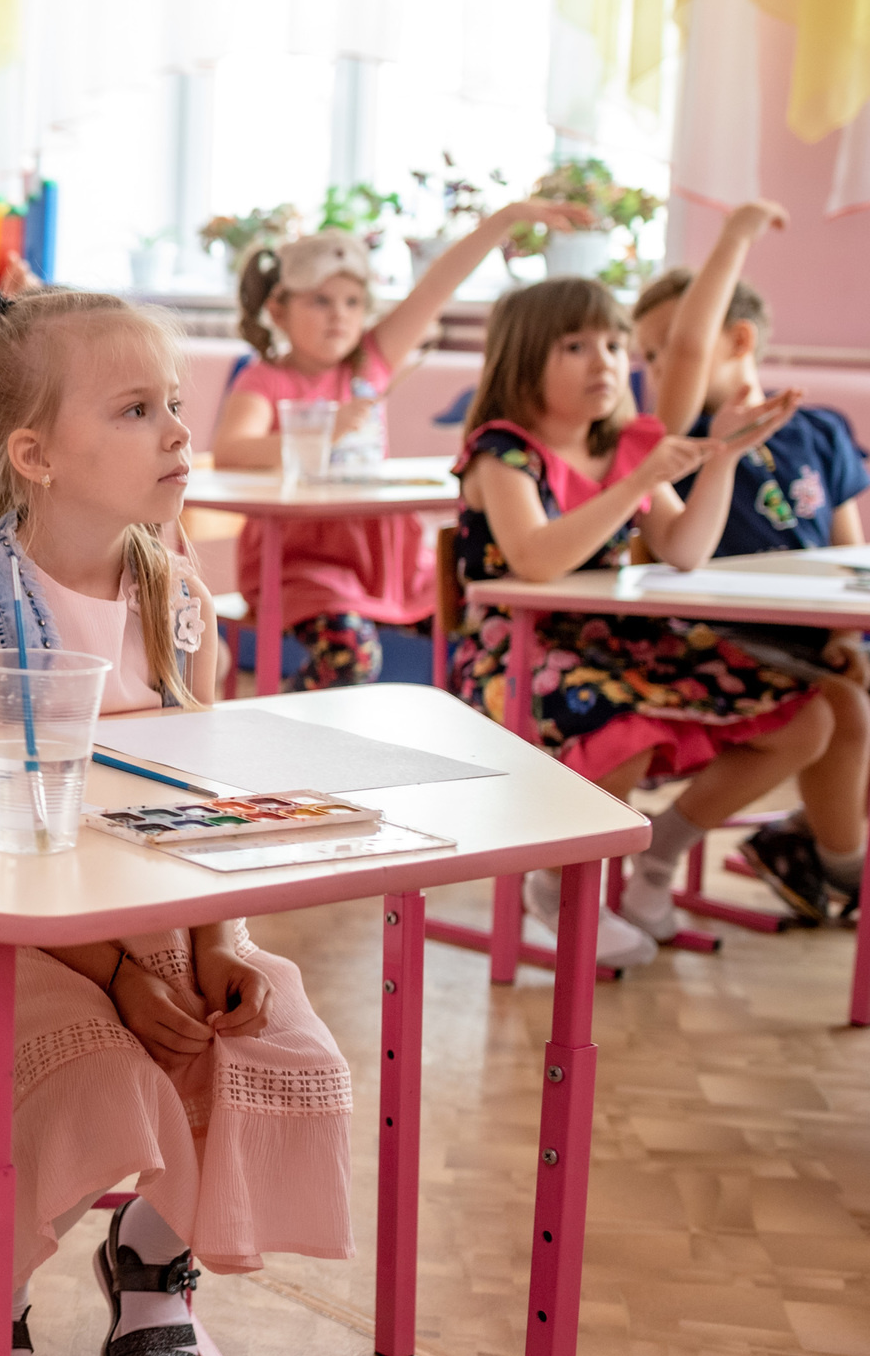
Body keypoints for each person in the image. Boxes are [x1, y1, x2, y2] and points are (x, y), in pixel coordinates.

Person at [0, 285, 355, 1356]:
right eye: (138, 409)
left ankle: (148, 1246)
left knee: (284, 1048)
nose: (179, 431)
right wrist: (116, 975)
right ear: (33, 454)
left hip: (164, 922)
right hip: (8, 937)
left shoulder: (177, 594)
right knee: (90, 1070)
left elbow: (206, 796)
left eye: (175, 403)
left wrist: (224, 939)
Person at [449, 277, 812, 966]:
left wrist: (725, 454)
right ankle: (554, 885)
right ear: (524, 358)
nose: (606, 361)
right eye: (578, 345)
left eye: (616, 345)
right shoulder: (503, 453)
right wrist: (638, 483)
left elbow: (685, 547)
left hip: (623, 645)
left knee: (807, 718)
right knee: (624, 725)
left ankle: (657, 859)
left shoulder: (629, 444)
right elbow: (534, 559)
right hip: (517, 657)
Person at [208, 203, 592, 688]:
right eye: (320, 302)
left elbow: (435, 286)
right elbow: (231, 451)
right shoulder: (267, 378)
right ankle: (289, 740)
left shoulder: (371, 361)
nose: (339, 317)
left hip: (391, 557)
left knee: (489, 627)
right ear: (279, 310)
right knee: (348, 656)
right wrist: (324, 428)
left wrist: (504, 221)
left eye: (352, 302)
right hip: (302, 564)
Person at [634, 200, 870, 923]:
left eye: (667, 348)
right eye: (648, 356)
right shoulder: (683, 440)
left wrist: (848, 634)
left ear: (737, 338)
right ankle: (848, 875)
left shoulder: (823, 429)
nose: (653, 368)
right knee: (846, 711)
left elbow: (847, 553)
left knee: (854, 697)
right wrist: (734, 236)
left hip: (813, 634)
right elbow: (684, 363)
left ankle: (802, 842)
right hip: (722, 634)